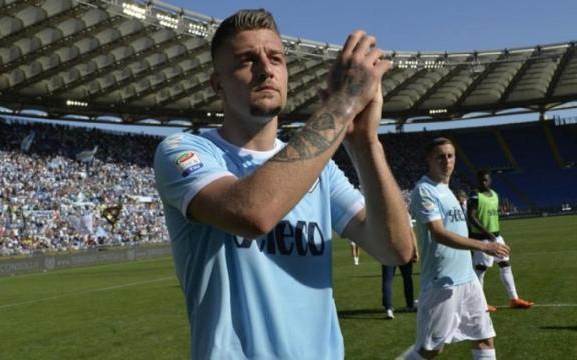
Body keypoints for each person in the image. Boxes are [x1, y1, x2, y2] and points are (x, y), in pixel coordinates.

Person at [154, 9, 414, 359]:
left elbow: (396, 250)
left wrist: (365, 144)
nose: (266, 69)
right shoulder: (185, 151)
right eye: (247, 60)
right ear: (217, 84)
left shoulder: (319, 170)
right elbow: (253, 213)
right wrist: (344, 104)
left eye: (275, 57)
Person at [404, 138, 510, 360]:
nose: (446, 161)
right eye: (440, 156)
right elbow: (439, 233)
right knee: (431, 350)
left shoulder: (447, 190)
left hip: (468, 279)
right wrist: (484, 246)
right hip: (441, 283)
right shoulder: (424, 191)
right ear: (429, 160)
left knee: (484, 338)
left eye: (450, 156)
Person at [468, 170, 534, 311]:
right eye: (480, 180)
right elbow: (471, 217)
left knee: (505, 264)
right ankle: (479, 303)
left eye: (485, 180)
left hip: (496, 237)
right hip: (482, 239)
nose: (483, 182)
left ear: (490, 180)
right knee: (481, 269)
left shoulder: (495, 195)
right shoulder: (474, 195)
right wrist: (487, 233)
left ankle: (514, 299)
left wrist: (494, 235)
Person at [382, 217, 419, 319]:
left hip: (388, 249)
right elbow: (411, 232)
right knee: (407, 278)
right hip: (403, 248)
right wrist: (415, 250)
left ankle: (388, 308)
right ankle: (410, 305)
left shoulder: (381, 212)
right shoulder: (404, 212)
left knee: (387, 280)